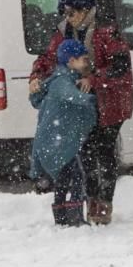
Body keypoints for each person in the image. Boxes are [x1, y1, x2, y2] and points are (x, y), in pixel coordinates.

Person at [30, 0, 133, 225]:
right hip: (83, 104)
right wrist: (35, 76)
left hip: (111, 101)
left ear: (85, 9)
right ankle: (89, 200)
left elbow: (120, 67)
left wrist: (93, 79)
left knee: (105, 151)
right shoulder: (63, 31)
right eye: (64, 13)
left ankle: (103, 202)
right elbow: (47, 59)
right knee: (85, 153)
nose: (68, 18)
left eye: (71, 13)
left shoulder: (107, 30)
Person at [29, 40, 97, 227]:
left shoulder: (61, 77)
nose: (87, 63)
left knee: (64, 179)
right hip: (58, 142)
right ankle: (74, 217)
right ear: (71, 61)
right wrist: (90, 99)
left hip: (55, 140)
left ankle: (61, 216)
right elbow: (71, 95)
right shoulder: (62, 80)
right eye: (84, 59)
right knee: (76, 177)